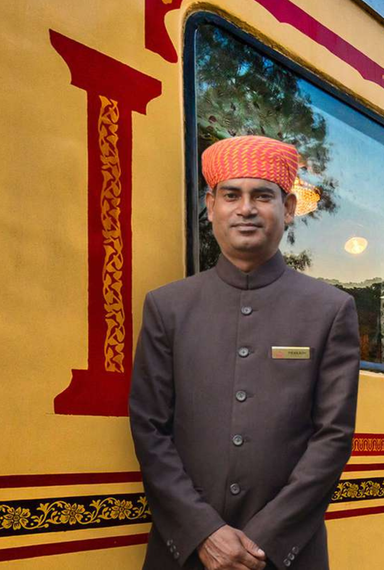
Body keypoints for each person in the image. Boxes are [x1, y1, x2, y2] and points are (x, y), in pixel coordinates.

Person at [129, 135, 361, 570]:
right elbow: (149, 428)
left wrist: (263, 540)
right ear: (211, 204)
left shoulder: (330, 310)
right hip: (183, 551)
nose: (246, 208)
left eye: (263, 196)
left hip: (285, 556)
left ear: (288, 208)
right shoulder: (167, 307)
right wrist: (203, 531)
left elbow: (332, 437)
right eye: (231, 195)